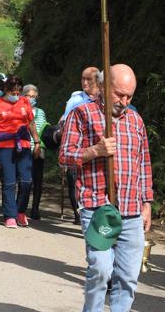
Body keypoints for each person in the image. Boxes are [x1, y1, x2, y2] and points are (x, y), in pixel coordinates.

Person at [59, 64, 153, 312]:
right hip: (97, 205)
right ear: (103, 87)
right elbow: (65, 156)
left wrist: (147, 203)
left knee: (128, 277)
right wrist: (95, 151)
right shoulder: (81, 114)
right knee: (100, 270)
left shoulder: (135, 120)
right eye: (119, 94)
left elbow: (143, 163)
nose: (124, 101)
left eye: (129, 96)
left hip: (131, 209)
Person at [0, 75, 41, 228]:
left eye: (18, 92)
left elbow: (31, 123)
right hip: (4, 147)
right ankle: (10, 215)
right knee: (9, 182)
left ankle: (20, 211)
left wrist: (37, 142)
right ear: (6, 90)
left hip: (23, 145)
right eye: (13, 92)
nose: (15, 95)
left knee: (26, 181)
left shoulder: (25, 102)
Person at [60, 66, 100, 224]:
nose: (84, 82)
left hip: (99, 153)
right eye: (82, 79)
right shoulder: (75, 100)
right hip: (78, 151)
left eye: (88, 79)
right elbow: (65, 124)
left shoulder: (105, 99)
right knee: (76, 185)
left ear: (98, 81)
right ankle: (81, 217)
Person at [22, 84, 47, 220]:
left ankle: (35, 209)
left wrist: (40, 146)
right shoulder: (19, 110)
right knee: (25, 181)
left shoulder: (41, 112)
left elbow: (43, 129)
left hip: (38, 150)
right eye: (28, 96)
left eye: (33, 96)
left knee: (38, 181)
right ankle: (21, 207)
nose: (31, 99)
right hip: (24, 149)